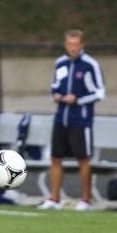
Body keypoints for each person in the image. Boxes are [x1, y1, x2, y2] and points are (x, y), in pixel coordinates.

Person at [38, 28, 106, 212]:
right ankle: (54, 198)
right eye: (69, 44)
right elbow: (54, 86)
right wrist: (56, 95)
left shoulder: (90, 65)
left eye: (76, 45)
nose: (73, 48)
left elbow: (100, 92)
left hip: (80, 119)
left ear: (82, 45)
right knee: (56, 157)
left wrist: (78, 99)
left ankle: (86, 199)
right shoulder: (60, 63)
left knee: (82, 159)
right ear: (65, 45)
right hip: (61, 118)